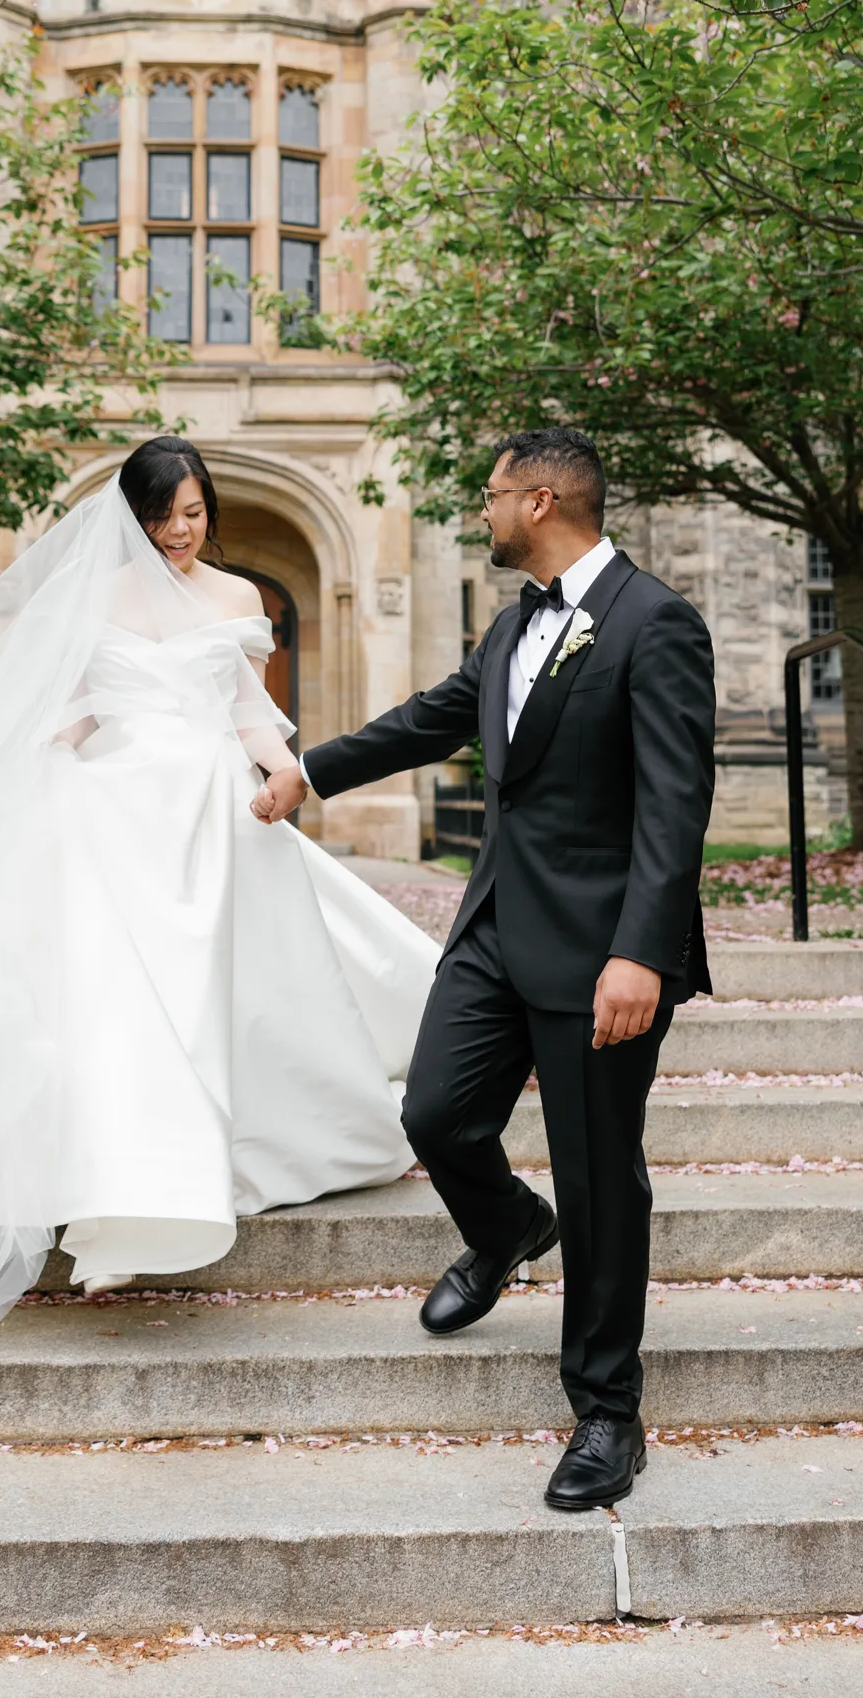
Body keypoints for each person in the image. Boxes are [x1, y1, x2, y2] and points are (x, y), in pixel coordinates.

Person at [0, 436, 436, 1353]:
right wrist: (23, 770)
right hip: (110, 812)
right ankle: (121, 1183)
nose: (179, 532)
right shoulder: (91, 599)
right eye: (162, 517)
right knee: (117, 995)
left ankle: (216, 1149)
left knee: (220, 984)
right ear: (132, 516)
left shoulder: (238, 598)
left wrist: (286, 777)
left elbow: (247, 713)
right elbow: (74, 715)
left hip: (211, 812)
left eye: (193, 513)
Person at [254, 428, 715, 1509]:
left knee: (598, 1181)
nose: (484, 511)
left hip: (601, 951)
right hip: (496, 929)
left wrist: (640, 952)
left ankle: (608, 1411)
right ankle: (508, 1226)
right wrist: (307, 771)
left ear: (541, 501)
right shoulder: (512, 626)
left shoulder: (655, 623)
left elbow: (675, 802)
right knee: (434, 1115)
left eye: (494, 495)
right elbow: (434, 719)